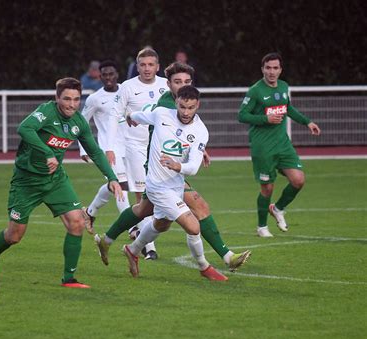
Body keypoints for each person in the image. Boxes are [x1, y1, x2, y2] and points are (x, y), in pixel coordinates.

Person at [94, 62, 251, 278]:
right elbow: (148, 118)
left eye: (186, 82)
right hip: (158, 175)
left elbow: (191, 147)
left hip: (175, 176)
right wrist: (131, 117)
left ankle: (117, 244)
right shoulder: (165, 107)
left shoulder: (196, 120)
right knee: (195, 216)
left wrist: (192, 153)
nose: (182, 86)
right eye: (178, 82)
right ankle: (215, 262)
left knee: (155, 218)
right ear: (169, 86)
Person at [0, 77, 123, 289]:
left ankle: (69, 279)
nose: (71, 104)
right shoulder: (46, 112)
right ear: (57, 98)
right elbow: (24, 128)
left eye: (76, 99)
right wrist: (47, 152)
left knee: (77, 222)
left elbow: (94, 150)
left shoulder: (78, 122)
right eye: (66, 99)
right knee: (14, 235)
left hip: (55, 180)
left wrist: (112, 178)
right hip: (26, 181)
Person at [122, 85, 225, 281]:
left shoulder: (201, 131)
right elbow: (142, 115)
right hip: (156, 185)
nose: (186, 112)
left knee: (161, 225)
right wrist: (131, 116)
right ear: (176, 102)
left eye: (191, 108)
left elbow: (193, 167)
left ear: (198, 106)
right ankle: (205, 267)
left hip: (176, 185)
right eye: (182, 107)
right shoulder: (162, 114)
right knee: (193, 226)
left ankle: (132, 249)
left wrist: (178, 166)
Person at [238, 52, 321, 238]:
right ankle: (261, 227)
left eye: (275, 68)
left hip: (283, 144)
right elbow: (242, 115)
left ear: (281, 70)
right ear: (262, 69)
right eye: (268, 68)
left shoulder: (284, 86)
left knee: (298, 180)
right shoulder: (255, 91)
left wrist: (307, 122)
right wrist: (265, 118)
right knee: (267, 188)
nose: (272, 72)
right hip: (263, 147)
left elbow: (288, 107)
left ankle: (278, 208)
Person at [101, 47, 169, 260]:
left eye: (151, 65)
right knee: (143, 196)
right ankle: (150, 248)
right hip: (135, 147)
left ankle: (119, 239)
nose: (147, 69)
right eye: (143, 65)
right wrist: (109, 147)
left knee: (160, 198)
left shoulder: (166, 85)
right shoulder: (128, 87)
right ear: (136, 66)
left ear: (157, 67)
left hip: (161, 148)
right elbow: (114, 116)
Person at [78, 61, 130, 228]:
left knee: (114, 185)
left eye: (111, 74)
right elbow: (81, 123)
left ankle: (90, 212)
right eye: (104, 75)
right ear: (100, 77)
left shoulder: (127, 90)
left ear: (117, 75)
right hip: (109, 149)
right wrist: (82, 148)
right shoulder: (95, 99)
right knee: (122, 186)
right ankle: (133, 228)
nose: (108, 78)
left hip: (132, 147)